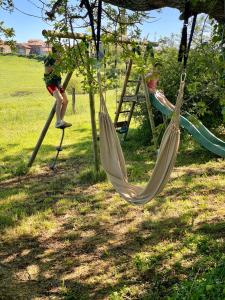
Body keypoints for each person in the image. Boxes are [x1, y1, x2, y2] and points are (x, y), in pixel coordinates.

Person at [44, 47, 72, 129]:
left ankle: (61, 121)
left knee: (66, 101)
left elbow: (65, 67)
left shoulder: (60, 59)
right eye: (60, 52)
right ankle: (58, 121)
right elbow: (47, 71)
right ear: (55, 53)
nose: (61, 54)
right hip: (50, 83)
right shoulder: (48, 59)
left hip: (58, 83)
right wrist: (56, 64)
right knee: (59, 99)